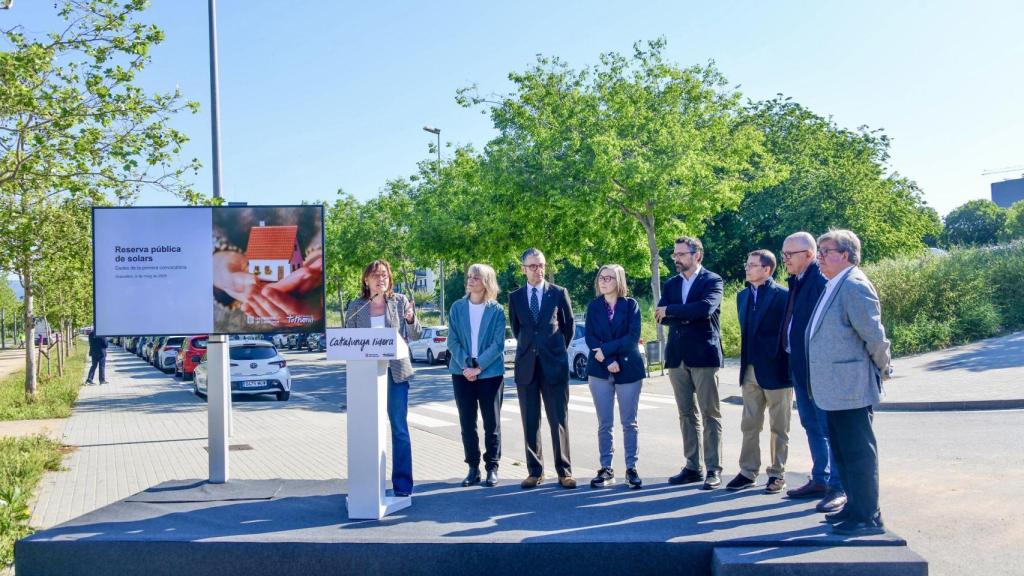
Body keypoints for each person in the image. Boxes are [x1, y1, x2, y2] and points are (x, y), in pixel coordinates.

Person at [807, 229, 891, 536]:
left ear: (845, 254)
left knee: (858, 453)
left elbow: (874, 336)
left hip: (851, 387)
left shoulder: (854, 284)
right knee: (843, 452)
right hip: (836, 388)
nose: (819, 257)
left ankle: (868, 516)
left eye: (825, 251)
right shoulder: (834, 283)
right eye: (818, 251)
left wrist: (884, 369)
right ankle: (854, 508)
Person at [780, 231, 846, 513]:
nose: (785, 260)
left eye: (789, 255)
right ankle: (820, 478)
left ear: (808, 255)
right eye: (783, 255)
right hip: (800, 367)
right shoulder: (797, 281)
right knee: (810, 425)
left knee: (828, 428)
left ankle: (838, 485)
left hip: (818, 370)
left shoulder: (820, 281)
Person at [344, 259, 422, 497]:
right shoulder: (356, 306)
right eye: (376, 275)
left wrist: (410, 319)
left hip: (395, 373)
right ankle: (366, 483)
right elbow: (348, 340)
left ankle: (403, 485)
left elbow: (416, 335)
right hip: (366, 374)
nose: (381, 279)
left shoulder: (399, 302)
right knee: (365, 428)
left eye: (385, 275)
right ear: (366, 280)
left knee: (399, 428)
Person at [655, 236, 725, 490]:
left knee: (710, 414)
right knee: (686, 414)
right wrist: (683, 314)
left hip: (704, 356)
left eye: (681, 254)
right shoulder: (671, 283)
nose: (676, 258)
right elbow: (660, 316)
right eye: (675, 254)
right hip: (677, 356)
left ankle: (713, 468)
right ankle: (692, 466)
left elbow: (705, 309)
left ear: (697, 255)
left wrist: (674, 312)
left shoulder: (712, 280)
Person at [508, 248, 576, 489]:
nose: (538, 269)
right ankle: (535, 471)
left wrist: (554, 350)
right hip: (527, 367)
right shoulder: (515, 297)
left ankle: (564, 471)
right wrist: (532, 349)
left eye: (541, 265)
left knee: (558, 419)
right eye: (533, 266)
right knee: (530, 420)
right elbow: (518, 330)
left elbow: (568, 328)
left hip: (554, 366)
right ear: (523, 269)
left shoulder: (558, 293)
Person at [726, 250, 792, 494]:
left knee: (779, 426)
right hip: (750, 369)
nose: (747, 268)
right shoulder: (742, 296)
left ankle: (777, 474)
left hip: (776, 370)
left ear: (767, 269)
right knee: (749, 424)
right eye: (747, 263)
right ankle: (747, 472)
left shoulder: (784, 295)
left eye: (753, 265)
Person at [446, 264, 507, 488]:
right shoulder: (457, 308)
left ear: (487, 282)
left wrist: (478, 367)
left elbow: (498, 344)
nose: (470, 281)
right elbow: (452, 340)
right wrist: (466, 366)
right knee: (467, 422)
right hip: (461, 373)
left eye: (476, 278)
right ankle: (473, 468)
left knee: (492, 423)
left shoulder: (497, 310)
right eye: (469, 277)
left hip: (490, 374)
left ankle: (492, 467)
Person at [585, 264, 644, 489]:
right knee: (604, 423)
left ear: (619, 280)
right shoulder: (594, 306)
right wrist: (608, 360)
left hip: (628, 369)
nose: (604, 281)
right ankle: (606, 468)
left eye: (609, 278)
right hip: (600, 370)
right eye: (601, 277)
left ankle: (631, 468)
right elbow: (590, 336)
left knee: (629, 422)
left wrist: (608, 352)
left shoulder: (631, 305)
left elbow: (632, 337)